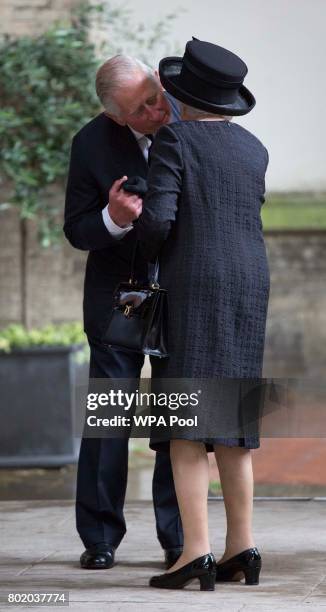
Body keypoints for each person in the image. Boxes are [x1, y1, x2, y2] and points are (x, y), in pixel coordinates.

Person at [137, 38, 269, 590]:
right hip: (250, 284)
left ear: (182, 94)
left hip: (194, 285)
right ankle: (244, 548)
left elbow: (159, 223)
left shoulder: (174, 138)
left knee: (185, 423)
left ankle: (195, 553)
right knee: (234, 423)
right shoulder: (254, 147)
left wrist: (136, 240)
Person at [63, 55, 183, 570]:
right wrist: (111, 219)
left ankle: (180, 538)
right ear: (118, 117)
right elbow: (76, 229)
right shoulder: (90, 143)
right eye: (144, 106)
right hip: (120, 297)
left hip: (182, 289)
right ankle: (100, 536)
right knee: (110, 418)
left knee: (180, 415)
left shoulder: (188, 118)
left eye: (156, 93)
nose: (160, 108)